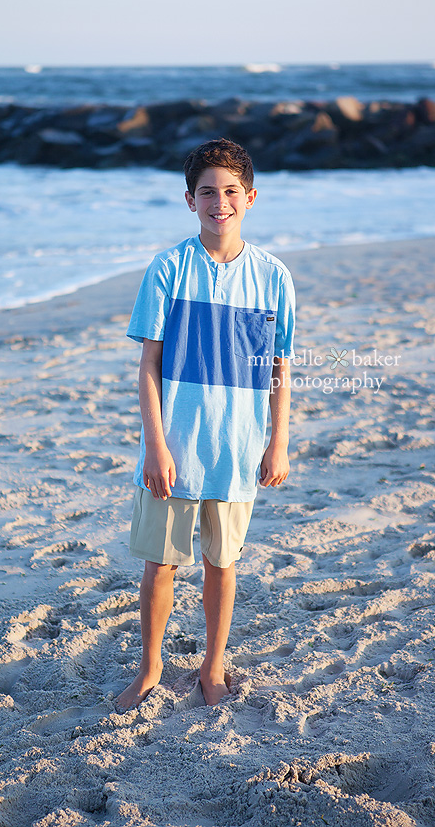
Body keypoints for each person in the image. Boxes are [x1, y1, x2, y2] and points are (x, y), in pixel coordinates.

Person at [116, 138, 295, 710]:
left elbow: (279, 367)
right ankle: (150, 669)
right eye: (208, 193)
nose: (221, 203)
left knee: (223, 563)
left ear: (251, 198)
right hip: (174, 445)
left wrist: (278, 441)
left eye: (231, 192)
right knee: (161, 562)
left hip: (238, 447)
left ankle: (212, 668)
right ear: (190, 200)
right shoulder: (169, 268)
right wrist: (155, 445)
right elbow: (148, 365)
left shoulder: (273, 277)